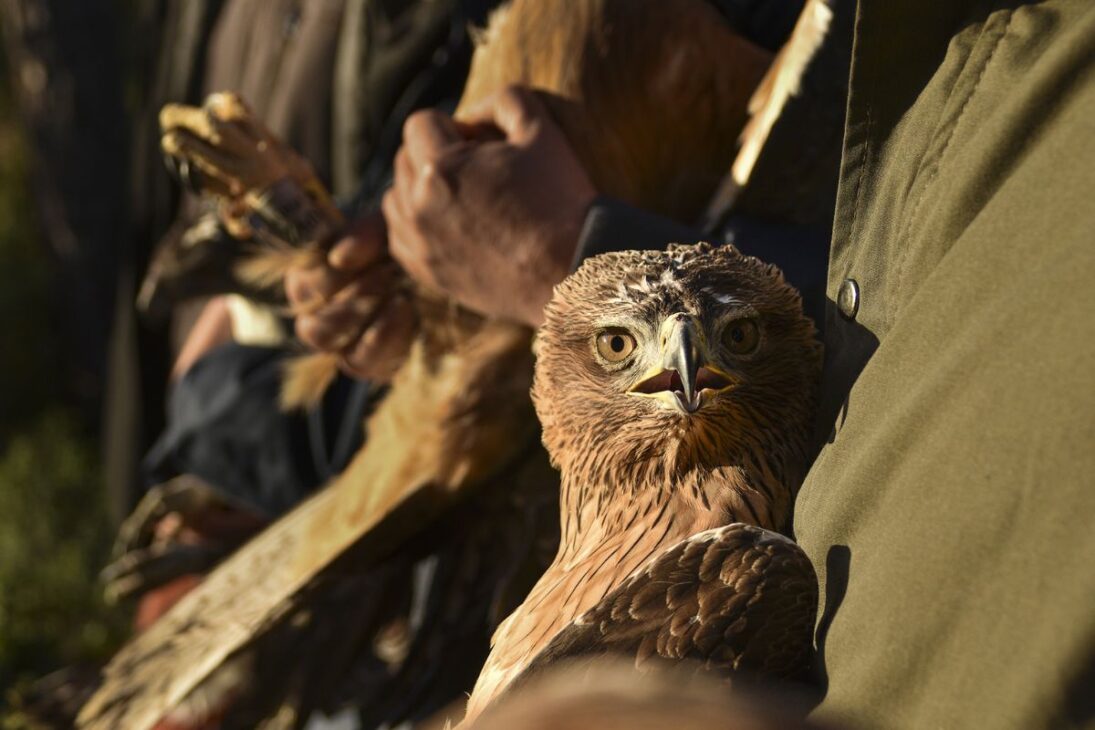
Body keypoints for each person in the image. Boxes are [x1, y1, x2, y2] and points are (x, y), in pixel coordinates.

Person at [288, 0, 1095, 728]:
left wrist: (573, 248)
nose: (679, 369)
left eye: (737, 342)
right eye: (616, 348)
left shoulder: (737, 578)